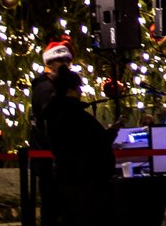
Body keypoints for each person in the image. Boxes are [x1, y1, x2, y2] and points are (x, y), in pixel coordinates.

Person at [42, 68, 116, 220]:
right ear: (71, 90)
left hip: (64, 177)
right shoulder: (76, 115)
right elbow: (98, 142)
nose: (81, 91)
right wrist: (112, 132)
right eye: (78, 88)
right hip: (85, 181)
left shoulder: (52, 113)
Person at [30, 38, 74, 225]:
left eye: (67, 61)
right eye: (61, 61)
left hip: (49, 158)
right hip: (50, 159)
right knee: (53, 206)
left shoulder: (47, 87)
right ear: (49, 63)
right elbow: (53, 120)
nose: (65, 65)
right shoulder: (47, 89)